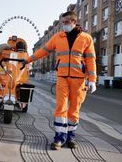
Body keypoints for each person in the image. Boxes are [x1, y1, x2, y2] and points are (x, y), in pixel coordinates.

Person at [26, 11, 97, 150]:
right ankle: (59, 138)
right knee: (61, 107)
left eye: (66, 22)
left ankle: (70, 137)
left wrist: (92, 80)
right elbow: (44, 50)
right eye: (62, 22)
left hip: (79, 80)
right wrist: (28, 59)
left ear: (74, 22)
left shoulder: (86, 38)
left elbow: (90, 59)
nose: (63, 25)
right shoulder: (58, 37)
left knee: (74, 109)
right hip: (62, 78)